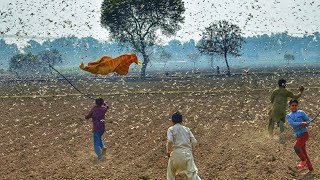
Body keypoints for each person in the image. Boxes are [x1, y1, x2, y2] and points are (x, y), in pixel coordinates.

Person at [166, 112, 201, 180]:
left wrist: (168, 151)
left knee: (170, 174)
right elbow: (194, 141)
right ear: (181, 120)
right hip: (187, 154)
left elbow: (170, 141)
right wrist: (189, 149)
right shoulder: (187, 129)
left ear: (172, 121)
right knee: (193, 175)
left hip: (175, 154)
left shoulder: (171, 129)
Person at [287, 99, 313, 172]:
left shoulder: (301, 113)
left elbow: (308, 121)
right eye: (293, 105)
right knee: (304, 152)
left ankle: (303, 161)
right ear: (290, 106)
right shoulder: (288, 116)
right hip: (298, 135)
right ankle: (311, 169)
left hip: (304, 134)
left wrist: (307, 123)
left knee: (296, 147)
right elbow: (292, 123)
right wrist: (301, 123)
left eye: (296, 105)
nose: (294, 107)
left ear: (297, 106)